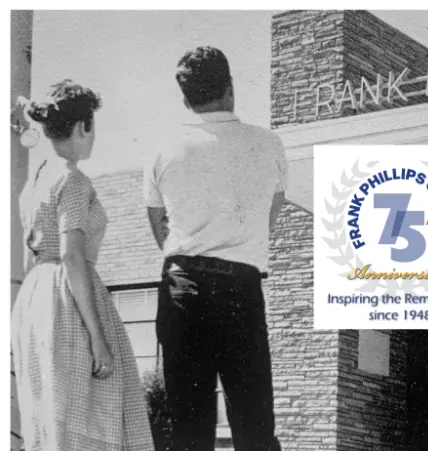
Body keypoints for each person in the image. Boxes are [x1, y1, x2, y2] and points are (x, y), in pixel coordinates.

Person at [143, 46, 287, 451]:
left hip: (182, 286)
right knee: (254, 423)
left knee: (189, 428)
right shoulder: (268, 144)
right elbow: (269, 218)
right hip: (241, 287)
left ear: (186, 99)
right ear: (230, 88)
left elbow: (159, 224)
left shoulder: (164, 148)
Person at [10, 80, 155, 451]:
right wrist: (98, 337)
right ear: (81, 127)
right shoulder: (72, 179)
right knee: (95, 413)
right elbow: (73, 255)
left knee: (50, 418)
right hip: (67, 298)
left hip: (36, 297)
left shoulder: (38, 177)